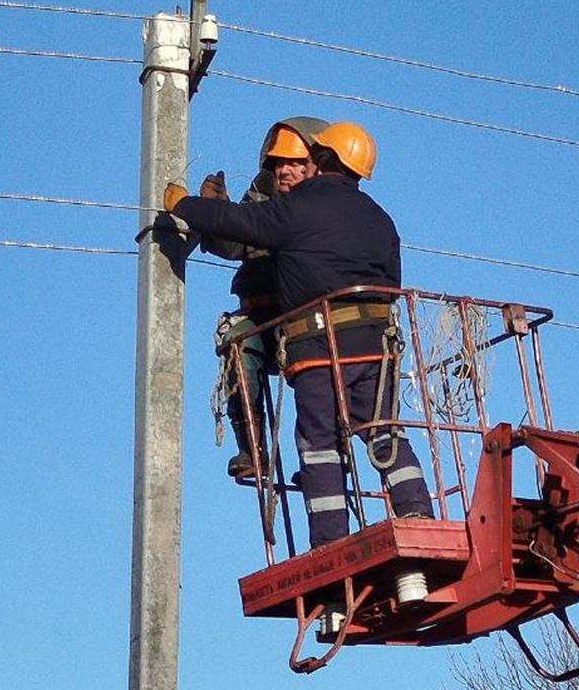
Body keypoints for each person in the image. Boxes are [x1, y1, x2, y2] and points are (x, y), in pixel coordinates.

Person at [165, 121, 434, 550]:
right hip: (376, 349)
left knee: (318, 443)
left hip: (318, 348)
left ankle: (330, 543)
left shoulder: (294, 211)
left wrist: (186, 206)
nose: (287, 171)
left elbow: (233, 221)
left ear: (319, 160)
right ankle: (417, 511)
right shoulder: (381, 219)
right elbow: (393, 281)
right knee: (383, 431)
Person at [198, 116, 328, 480]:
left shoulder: (331, 200)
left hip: (308, 317)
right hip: (262, 311)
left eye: (294, 162)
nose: (283, 170)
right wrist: (216, 214)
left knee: (318, 376)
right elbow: (237, 241)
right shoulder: (264, 189)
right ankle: (251, 450)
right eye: (277, 162)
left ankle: (323, 462)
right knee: (237, 341)